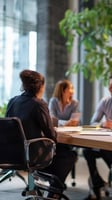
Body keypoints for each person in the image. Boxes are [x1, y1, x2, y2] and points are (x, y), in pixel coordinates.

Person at [5, 69, 77, 199]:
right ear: (40, 86)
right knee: (69, 154)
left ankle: (50, 185)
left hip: (12, 154)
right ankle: (55, 191)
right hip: (32, 156)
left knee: (61, 152)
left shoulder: (12, 101)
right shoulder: (38, 104)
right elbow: (51, 134)